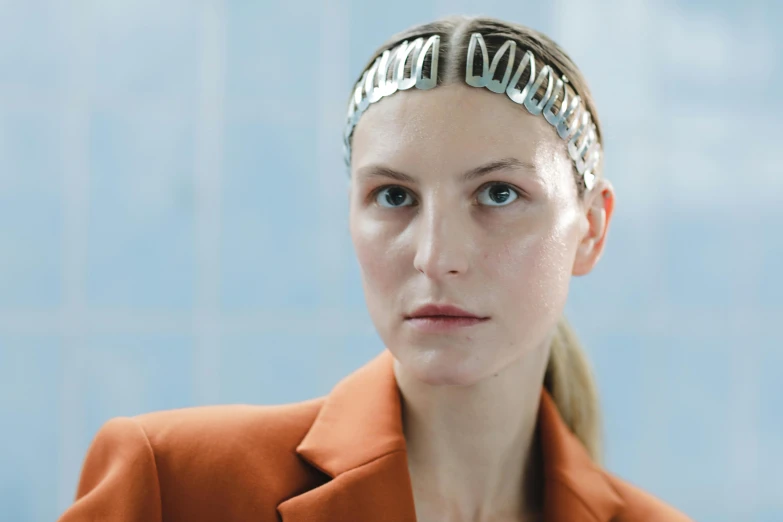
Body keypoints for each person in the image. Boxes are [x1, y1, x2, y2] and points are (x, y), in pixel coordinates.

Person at [57, 15, 693, 522]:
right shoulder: (176, 488)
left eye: (498, 193)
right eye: (394, 196)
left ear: (591, 228)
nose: (436, 256)